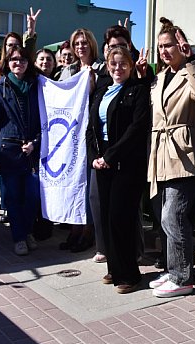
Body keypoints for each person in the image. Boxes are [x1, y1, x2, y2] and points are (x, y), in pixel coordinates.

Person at [147, 17, 195, 297]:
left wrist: (192, 59)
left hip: (182, 152)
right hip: (161, 152)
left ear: (181, 45)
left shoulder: (192, 71)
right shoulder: (160, 76)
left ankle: (183, 276)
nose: (164, 51)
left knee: (174, 215)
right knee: (166, 218)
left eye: (169, 45)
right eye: (161, 46)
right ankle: (175, 271)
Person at [86, 46, 151, 293]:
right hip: (102, 162)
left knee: (120, 218)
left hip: (125, 163)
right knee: (105, 217)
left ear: (131, 66)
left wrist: (110, 156)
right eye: (113, 64)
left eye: (123, 64)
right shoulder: (101, 91)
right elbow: (91, 127)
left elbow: (136, 129)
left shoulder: (138, 91)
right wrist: (94, 156)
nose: (118, 68)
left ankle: (130, 275)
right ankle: (114, 268)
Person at [0, 46, 42, 256]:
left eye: (23, 59)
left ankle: (26, 231)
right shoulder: (0, 90)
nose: (19, 63)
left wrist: (36, 142)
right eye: (15, 59)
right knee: (13, 198)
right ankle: (20, 237)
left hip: (32, 153)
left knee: (33, 197)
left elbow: (45, 122)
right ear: (8, 63)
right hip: (8, 151)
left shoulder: (37, 88)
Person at [57, 28, 101, 254]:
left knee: (88, 185)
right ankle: (75, 227)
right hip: (72, 134)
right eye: (77, 43)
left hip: (92, 133)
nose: (81, 46)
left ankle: (88, 230)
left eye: (85, 42)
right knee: (74, 183)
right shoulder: (68, 70)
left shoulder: (101, 68)